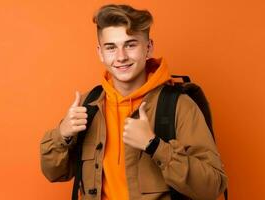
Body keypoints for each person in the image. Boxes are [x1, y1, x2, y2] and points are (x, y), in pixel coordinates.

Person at [40, 4, 227, 200]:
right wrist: (63, 135)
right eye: (111, 47)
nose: (121, 57)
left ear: (149, 48)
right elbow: (53, 173)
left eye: (130, 45)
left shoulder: (179, 106)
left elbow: (212, 187)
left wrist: (154, 146)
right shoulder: (88, 105)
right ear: (100, 53)